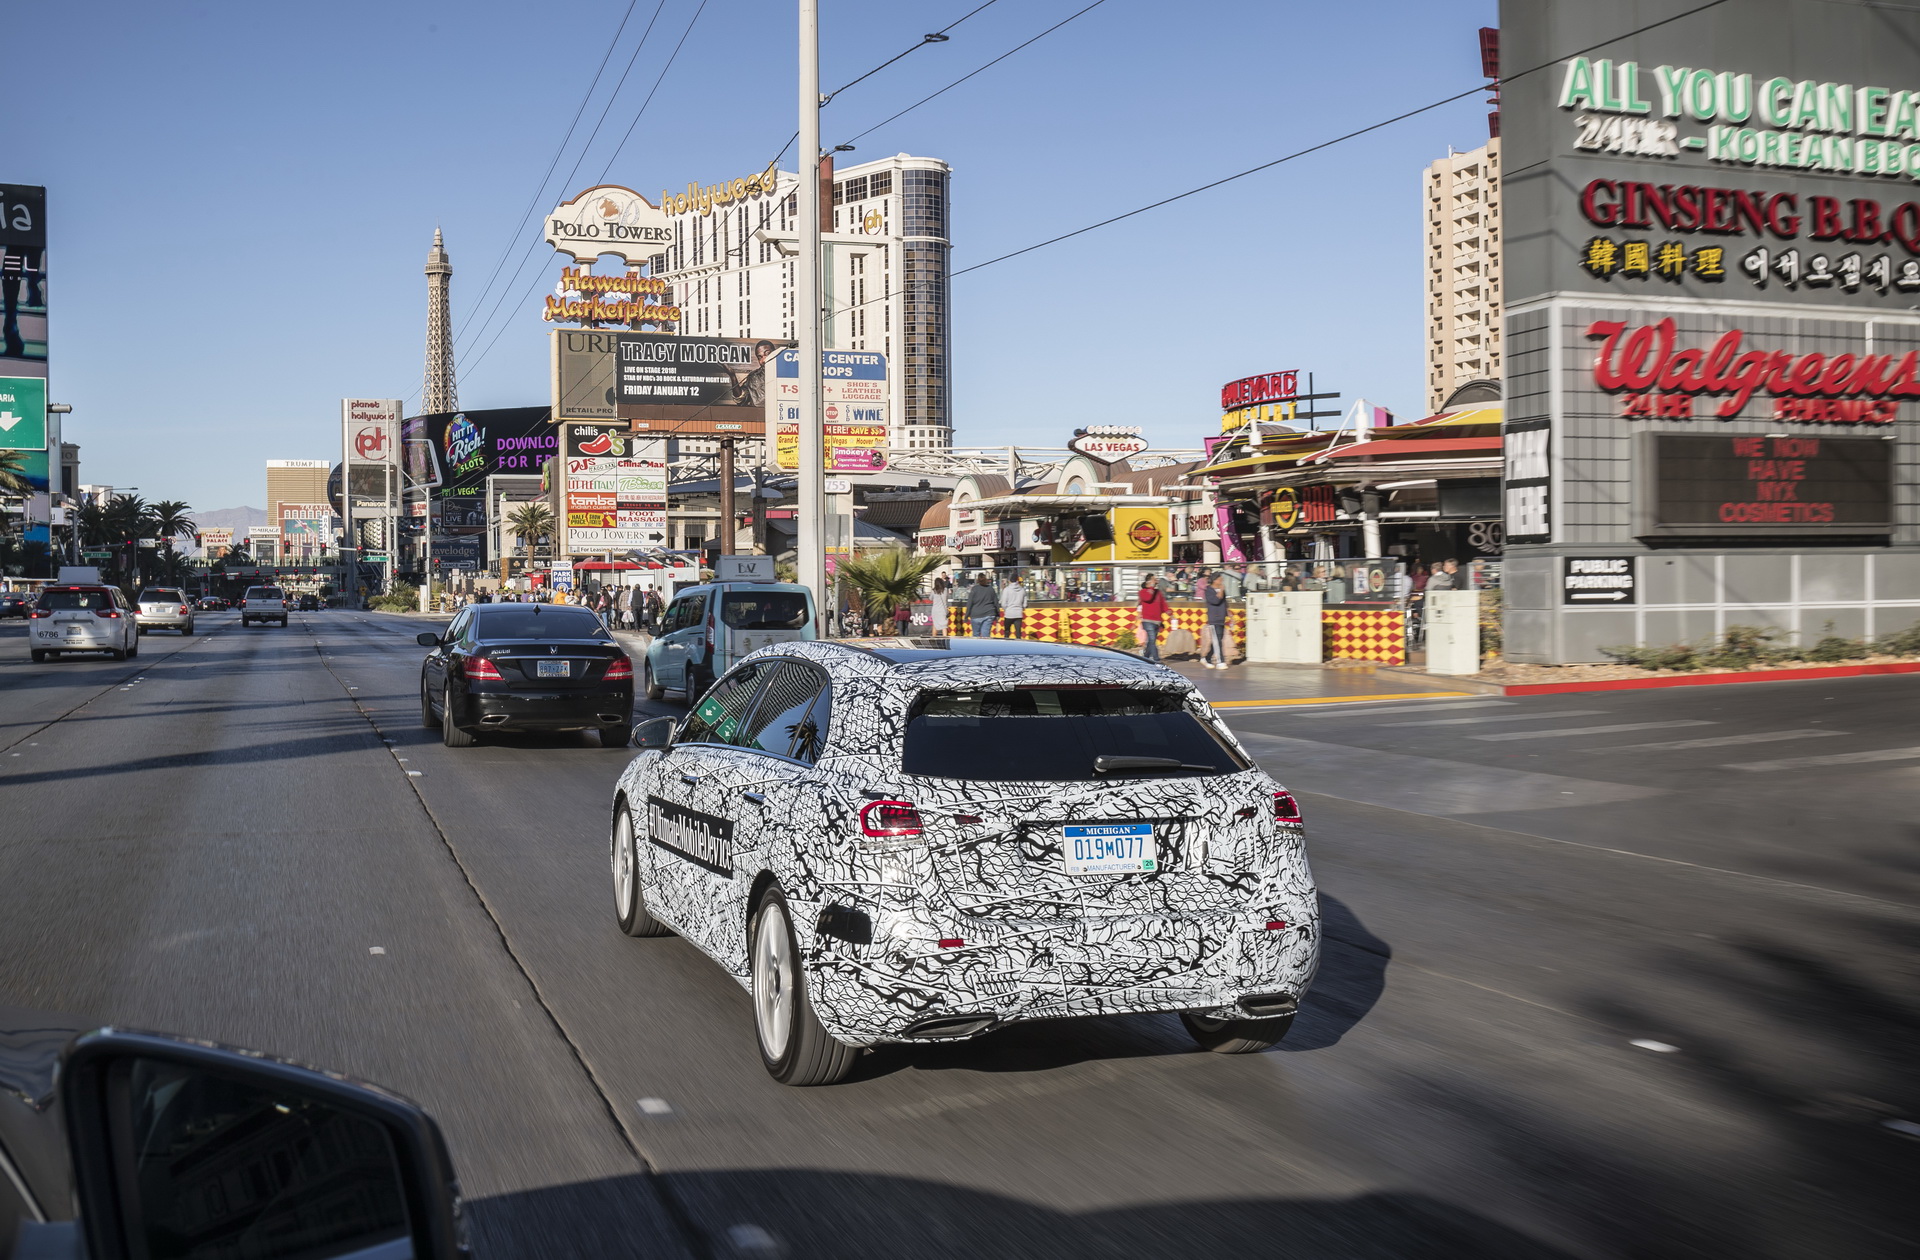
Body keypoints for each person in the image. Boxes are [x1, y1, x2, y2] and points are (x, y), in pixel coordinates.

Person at [1136, 574, 1168, 664]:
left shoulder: (1158, 592)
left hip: (1157, 621)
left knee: (1151, 641)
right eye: (1154, 579)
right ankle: (1156, 659)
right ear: (1149, 581)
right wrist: (1151, 587)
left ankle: (1145, 658)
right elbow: (1148, 598)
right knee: (1153, 640)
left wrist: (1169, 612)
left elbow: (1163, 604)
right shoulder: (1143, 592)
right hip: (1148, 620)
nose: (1156, 581)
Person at [1202, 572, 1230, 669]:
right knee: (1217, 640)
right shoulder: (1209, 590)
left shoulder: (1222, 591)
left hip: (1222, 617)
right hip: (1214, 618)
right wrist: (1221, 590)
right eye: (1220, 579)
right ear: (1215, 580)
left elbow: (1224, 603)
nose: (1221, 581)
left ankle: (1206, 658)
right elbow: (1215, 601)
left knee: (1217, 640)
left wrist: (1229, 614)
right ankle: (1220, 661)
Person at [966, 573, 998, 638]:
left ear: (978, 580)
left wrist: (966, 615)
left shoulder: (974, 589)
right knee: (985, 635)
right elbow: (996, 602)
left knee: (976, 635)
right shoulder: (990, 589)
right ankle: (985, 647)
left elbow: (969, 603)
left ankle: (976, 647)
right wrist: (997, 614)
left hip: (976, 614)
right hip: (989, 613)